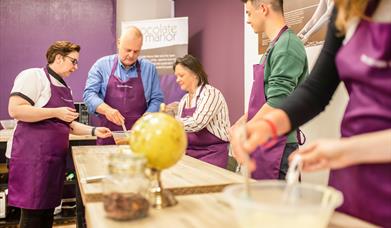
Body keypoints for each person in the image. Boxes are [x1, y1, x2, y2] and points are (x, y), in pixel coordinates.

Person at [232, 0, 391, 226]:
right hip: (351, 175)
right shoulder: (347, 7)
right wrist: (268, 125)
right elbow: (317, 90)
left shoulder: (289, 45)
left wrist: (346, 151)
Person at [7, 41, 112, 228]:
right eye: (73, 61)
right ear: (58, 58)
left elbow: (68, 124)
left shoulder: (65, 88)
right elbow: (16, 109)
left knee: (47, 214)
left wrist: (95, 131)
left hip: (52, 161)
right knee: (33, 216)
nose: (76, 67)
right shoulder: (34, 76)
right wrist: (55, 112)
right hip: (31, 159)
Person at [231, 0, 308, 179]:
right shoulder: (274, 47)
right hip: (264, 142)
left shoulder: (287, 45)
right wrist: (242, 121)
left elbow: (277, 102)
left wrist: (246, 133)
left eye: (248, 13)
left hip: (279, 147)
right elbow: (265, 98)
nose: (248, 20)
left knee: (278, 206)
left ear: (263, 8)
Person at [83, 26, 164, 145]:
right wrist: (107, 110)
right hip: (108, 136)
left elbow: (157, 99)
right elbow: (89, 95)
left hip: (140, 138)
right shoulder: (101, 65)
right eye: (128, 50)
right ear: (119, 43)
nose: (131, 55)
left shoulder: (149, 68)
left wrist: (147, 118)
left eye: (136, 51)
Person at [172, 54, 231, 168]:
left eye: (181, 75)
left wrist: (170, 123)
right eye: (176, 76)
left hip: (213, 154)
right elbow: (180, 131)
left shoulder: (210, 94)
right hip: (190, 154)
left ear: (194, 74)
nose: (177, 80)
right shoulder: (184, 100)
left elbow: (197, 123)